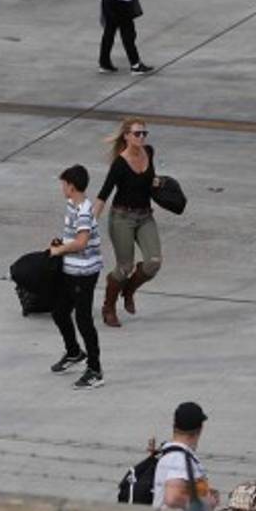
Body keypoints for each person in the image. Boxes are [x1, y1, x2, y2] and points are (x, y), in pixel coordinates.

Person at [93, 117, 161, 327]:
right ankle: (109, 307)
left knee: (154, 262)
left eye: (144, 133)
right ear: (126, 136)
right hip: (122, 218)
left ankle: (129, 290)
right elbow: (103, 195)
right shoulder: (120, 164)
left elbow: (150, 178)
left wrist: (158, 183)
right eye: (137, 134)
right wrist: (90, 224)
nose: (141, 137)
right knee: (124, 267)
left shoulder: (149, 152)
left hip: (145, 216)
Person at [47, 164, 104, 390]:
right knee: (59, 311)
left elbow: (81, 242)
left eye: (63, 184)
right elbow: (72, 238)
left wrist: (58, 251)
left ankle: (95, 370)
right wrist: (60, 243)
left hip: (84, 273)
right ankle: (73, 352)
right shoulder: (72, 205)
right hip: (71, 270)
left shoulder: (83, 211)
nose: (62, 188)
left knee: (84, 320)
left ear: (71, 186)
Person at [153, 402, 219, 511]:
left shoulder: (170, 453)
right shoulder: (179, 458)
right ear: (200, 429)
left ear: (174, 427)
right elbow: (172, 498)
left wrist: (205, 493)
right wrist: (204, 503)